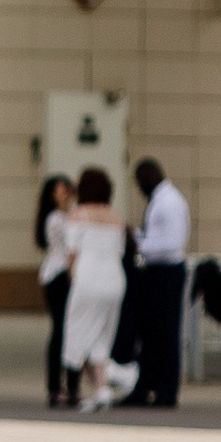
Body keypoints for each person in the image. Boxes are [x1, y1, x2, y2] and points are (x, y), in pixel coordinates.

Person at [59, 168, 135, 413]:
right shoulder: (117, 218)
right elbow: (120, 252)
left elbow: (71, 255)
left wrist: (72, 279)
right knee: (102, 336)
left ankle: (82, 387)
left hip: (88, 279)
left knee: (76, 331)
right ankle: (102, 388)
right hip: (114, 280)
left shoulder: (77, 216)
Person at [126, 158, 189, 409]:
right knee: (151, 335)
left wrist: (139, 245)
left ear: (149, 176)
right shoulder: (162, 199)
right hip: (156, 272)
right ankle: (147, 387)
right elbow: (158, 238)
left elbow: (173, 243)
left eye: (140, 181)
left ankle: (166, 391)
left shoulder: (169, 202)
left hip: (167, 273)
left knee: (165, 335)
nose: (139, 187)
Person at [35, 174, 75, 408]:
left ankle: (65, 386)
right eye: (60, 190)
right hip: (58, 276)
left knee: (66, 332)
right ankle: (55, 387)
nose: (66, 193)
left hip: (60, 276)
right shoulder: (56, 219)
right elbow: (70, 244)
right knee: (60, 331)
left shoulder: (68, 216)